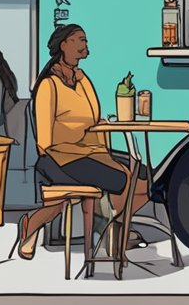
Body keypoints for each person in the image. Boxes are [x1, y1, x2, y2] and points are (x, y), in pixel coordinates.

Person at [9, 24, 149, 260]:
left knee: (146, 176)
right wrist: (80, 139)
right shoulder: (48, 85)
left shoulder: (83, 80)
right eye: (80, 40)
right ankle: (109, 231)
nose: (85, 46)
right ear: (64, 45)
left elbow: (93, 119)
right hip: (59, 157)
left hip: (90, 152)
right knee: (121, 178)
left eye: (85, 41)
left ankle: (111, 224)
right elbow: (45, 141)